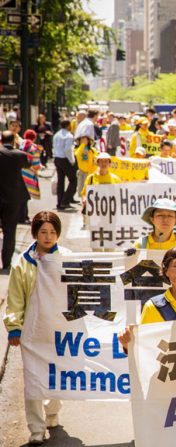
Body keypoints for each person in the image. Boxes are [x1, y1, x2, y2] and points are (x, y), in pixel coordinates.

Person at [3, 212, 69, 444]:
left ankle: (52, 411)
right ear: (35, 233)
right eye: (43, 232)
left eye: (52, 232)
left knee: (60, 376)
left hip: (60, 330)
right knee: (33, 379)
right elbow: (15, 298)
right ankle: (36, 428)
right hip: (32, 331)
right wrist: (14, 326)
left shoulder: (68, 258)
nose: (48, 236)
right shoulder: (22, 262)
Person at [0, 131, 31, 272]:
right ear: (14, 141)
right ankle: (6, 262)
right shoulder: (19, 155)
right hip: (13, 197)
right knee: (10, 230)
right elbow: (28, 164)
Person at [52, 119, 77, 210]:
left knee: (61, 181)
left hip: (57, 158)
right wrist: (72, 161)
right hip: (65, 159)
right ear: (68, 126)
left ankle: (60, 202)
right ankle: (65, 200)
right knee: (73, 180)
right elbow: (67, 150)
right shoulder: (69, 136)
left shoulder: (56, 135)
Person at [19, 130, 41, 224]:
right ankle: (23, 217)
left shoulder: (20, 144)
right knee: (26, 196)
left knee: (20, 196)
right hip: (28, 173)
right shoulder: (34, 147)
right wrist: (39, 167)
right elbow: (36, 164)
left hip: (18, 172)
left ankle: (22, 216)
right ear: (34, 138)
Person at [73, 135, 98, 207]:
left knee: (91, 190)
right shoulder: (78, 149)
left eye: (85, 140)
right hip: (82, 172)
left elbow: (96, 159)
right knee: (82, 190)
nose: (84, 141)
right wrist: (82, 145)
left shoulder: (93, 150)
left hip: (91, 173)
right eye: (82, 140)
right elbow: (77, 154)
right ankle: (84, 204)